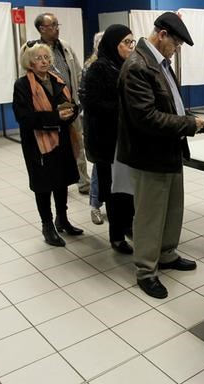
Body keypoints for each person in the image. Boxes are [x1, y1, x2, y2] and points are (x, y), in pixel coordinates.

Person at [117, 12, 204, 299]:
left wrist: (187, 117)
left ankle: (166, 254)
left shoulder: (159, 63)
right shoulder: (137, 66)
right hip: (149, 154)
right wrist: (189, 124)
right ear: (163, 35)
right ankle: (146, 270)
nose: (177, 49)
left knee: (172, 209)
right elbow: (146, 118)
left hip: (168, 148)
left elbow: (169, 104)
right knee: (150, 215)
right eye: (177, 43)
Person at [13, 42, 84, 247]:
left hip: (62, 139)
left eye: (46, 58)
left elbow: (69, 106)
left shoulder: (57, 79)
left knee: (61, 181)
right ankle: (47, 226)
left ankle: (62, 219)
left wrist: (72, 111)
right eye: (38, 59)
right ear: (29, 62)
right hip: (38, 143)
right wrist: (56, 117)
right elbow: (24, 118)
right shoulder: (23, 85)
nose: (44, 62)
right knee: (43, 185)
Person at [82, 25, 136, 254]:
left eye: (132, 42)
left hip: (126, 139)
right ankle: (116, 236)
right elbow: (92, 104)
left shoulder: (128, 66)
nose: (130, 47)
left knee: (129, 188)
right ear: (113, 44)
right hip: (107, 142)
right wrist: (125, 108)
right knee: (114, 191)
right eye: (126, 42)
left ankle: (128, 226)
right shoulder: (99, 68)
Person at [35, 12, 90, 194]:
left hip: (70, 104)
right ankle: (56, 181)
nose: (57, 28)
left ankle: (83, 182)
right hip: (49, 109)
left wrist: (80, 97)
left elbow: (79, 72)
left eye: (58, 25)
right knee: (53, 147)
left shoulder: (65, 47)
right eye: (54, 25)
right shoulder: (34, 51)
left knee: (77, 144)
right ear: (42, 29)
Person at [81, 32, 105, 225]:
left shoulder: (120, 64)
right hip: (98, 125)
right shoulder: (91, 67)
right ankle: (95, 205)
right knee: (99, 167)